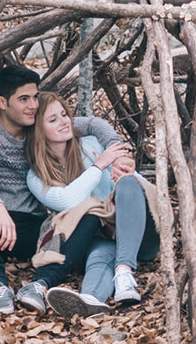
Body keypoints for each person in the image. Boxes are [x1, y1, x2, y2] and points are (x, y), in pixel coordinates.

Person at [0, 64, 128, 314]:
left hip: (31, 228)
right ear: (2, 102)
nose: (33, 105)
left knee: (90, 216)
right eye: (24, 99)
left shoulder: (37, 128)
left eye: (35, 97)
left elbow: (92, 124)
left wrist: (116, 151)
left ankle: (40, 284)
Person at [26, 92, 160, 318]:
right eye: (53, 120)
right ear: (38, 131)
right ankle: (91, 299)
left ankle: (124, 270)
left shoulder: (91, 144)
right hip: (102, 235)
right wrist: (99, 167)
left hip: (141, 237)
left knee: (128, 183)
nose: (64, 122)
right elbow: (68, 201)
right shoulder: (36, 176)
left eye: (64, 115)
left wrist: (121, 171)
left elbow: (140, 188)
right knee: (99, 257)